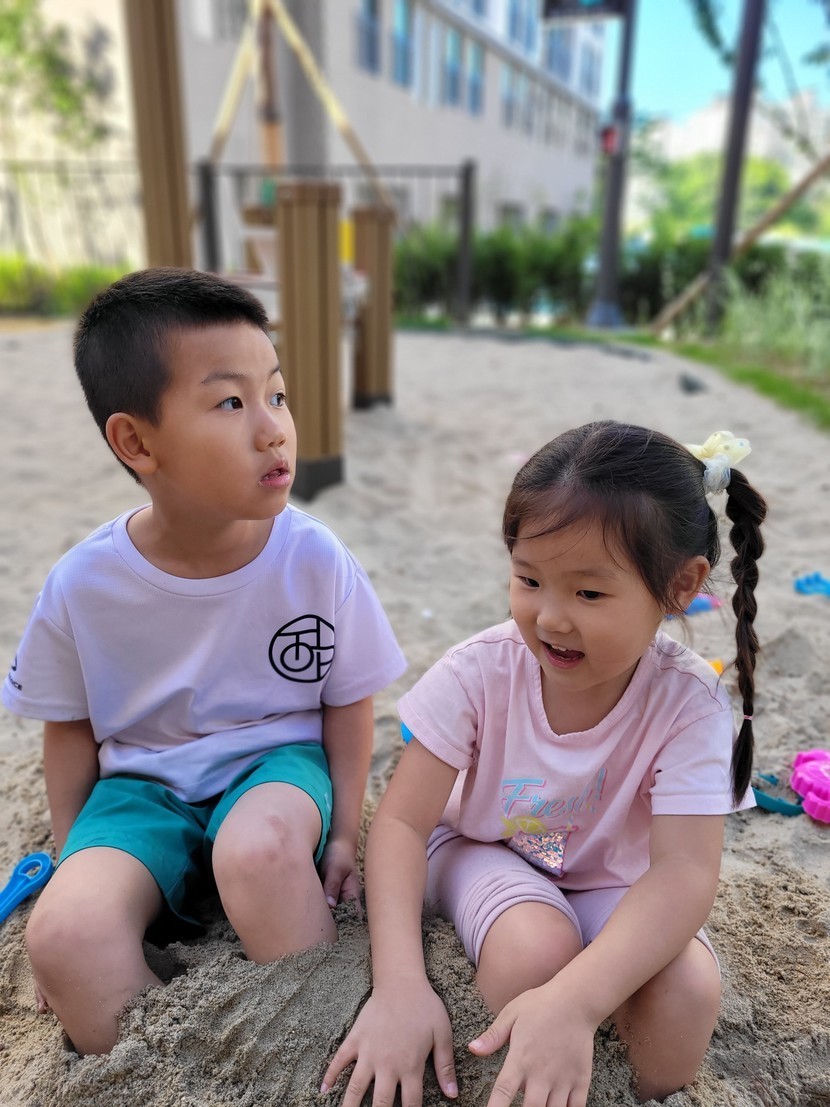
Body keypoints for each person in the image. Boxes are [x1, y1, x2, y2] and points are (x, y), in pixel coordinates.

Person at [2, 267, 406, 1056]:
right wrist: (72, 853)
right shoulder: (83, 584)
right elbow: (70, 728)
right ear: (136, 441)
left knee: (257, 854)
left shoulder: (313, 558)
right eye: (230, 403)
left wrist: (343, 836)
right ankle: (174, 1070)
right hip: (140, 788)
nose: (273, 428)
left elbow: (347, 699)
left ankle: (306, 1048)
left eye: (277, 394)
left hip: (273, 768)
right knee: (63, 935)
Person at [322, 422, 766, 1107]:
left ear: (681, 585)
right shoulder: (480, 672)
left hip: (609, 877)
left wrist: (577, 1002)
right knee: (534, 953)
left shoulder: (690, 702)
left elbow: (683, 872)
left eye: (589, 594)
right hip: (483, 848)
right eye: (529, 579)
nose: (551, 618)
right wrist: (399, 985)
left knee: (685, 994)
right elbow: (404, 825)